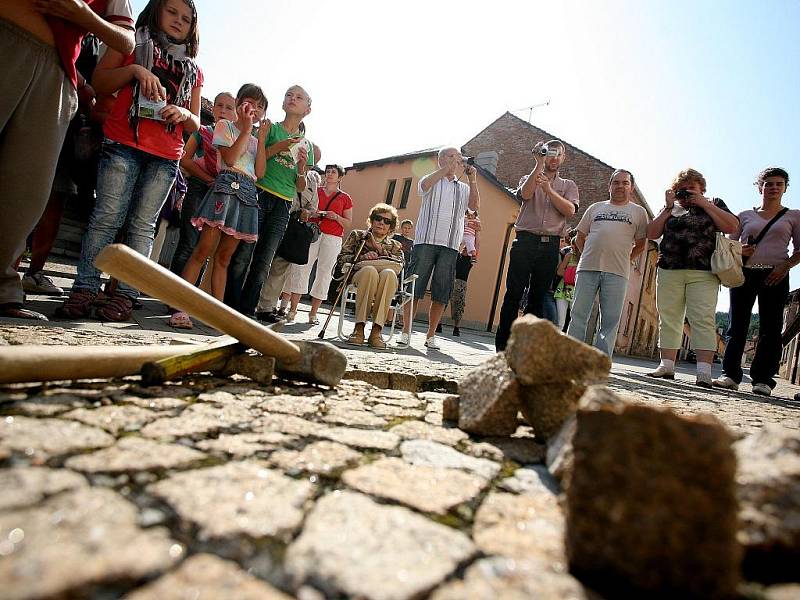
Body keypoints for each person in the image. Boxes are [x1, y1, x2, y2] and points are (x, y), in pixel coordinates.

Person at [56, 0, 202, 322]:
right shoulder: (132, 43)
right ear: (155, 10)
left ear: (194, 27)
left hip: (165, 157)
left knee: (142, 227)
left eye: (187, 18)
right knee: (106, 217)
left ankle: (125, 295)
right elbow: (101, 82)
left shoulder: (194, 68)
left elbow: (195, 122)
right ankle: (85, 287)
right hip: (123, 143)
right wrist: (136, 70)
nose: (179, 21)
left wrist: (183, 113)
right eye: (172, 12)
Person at [0, 0, 135, 320]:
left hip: (57, 69)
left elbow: (126, 38)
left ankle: (3, 286)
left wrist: (82, 15)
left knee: (27, 189)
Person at [169, 85, 267, 329]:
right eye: (248, 103)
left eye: (259, 106)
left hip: (247, 194)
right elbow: (231, 159)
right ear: (239, 106)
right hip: (226, 186)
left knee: (224, 258)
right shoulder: (224, 127)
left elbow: (261, 173)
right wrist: (245, 129)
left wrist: (261, 139)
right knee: (202, 250)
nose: (253, 109)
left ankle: (217, 314)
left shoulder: (256, 140)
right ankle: (180, 308)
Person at [225, 85, 313, 317]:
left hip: (284, 203)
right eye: (288, 95)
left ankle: (247, 309)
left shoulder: (307, 146)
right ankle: (229, 305)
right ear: (283, 103)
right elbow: (255, 163)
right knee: (243, 253)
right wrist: (280, 146)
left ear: (308, 109)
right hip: (259, 194)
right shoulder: (270, 129)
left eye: (299, 97)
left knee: (265, 259)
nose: (292, 99)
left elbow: (300, 186)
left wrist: (302, 168)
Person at [646, 168, 739, 387]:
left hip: (704, 270)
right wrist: (668, 208)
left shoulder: (714, 203)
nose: (686, 193)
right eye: (682, 189)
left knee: (702, 318)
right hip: (669, 268)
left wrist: (705, 204)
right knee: (669, 317)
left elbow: (732, 226)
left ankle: (704, 372)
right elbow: (651, 233)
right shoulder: (670, 208)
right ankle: (666, 365)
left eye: (691, 189)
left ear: (702, 189)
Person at [714, 167, 799, 396]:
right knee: (736, 325)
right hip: (745, 273)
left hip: (776, 274)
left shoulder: (794, 216)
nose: (773, 188)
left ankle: (762, 379)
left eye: (779, 184)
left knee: (770, 329)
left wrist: (785, 266)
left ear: (785, 188)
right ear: (759, 186)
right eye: (769, 183)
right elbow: (729, 247)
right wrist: (741, 250)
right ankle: (730, 375)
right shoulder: (744, 215)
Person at [495, 140, 579, 350]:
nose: (553, 157)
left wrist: (549, 189)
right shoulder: (529, 176)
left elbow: (570, 211)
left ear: (563, 158)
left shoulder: (568, 185)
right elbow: (524, 195)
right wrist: (537, 164)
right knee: (513, 294)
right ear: (542, 154)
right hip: (525, 241)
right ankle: (502, 347)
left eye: (558, 154)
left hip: (550, 246)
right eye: (549, 153)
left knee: (537, 298)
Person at [398, 147, 480, 349]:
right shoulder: (430, 179)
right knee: (414, 288)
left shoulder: (463, 188)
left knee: (442, 292)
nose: (455, 161)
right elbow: (424, 186)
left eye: (457, 158)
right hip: (426, 240)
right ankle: (405, 332)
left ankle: (431, 335)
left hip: (451, 245)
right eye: (450, 157)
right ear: (440, 159)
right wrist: (446, 170)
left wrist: (473, 179)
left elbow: (474, 208)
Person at [567, 169, 649, 356]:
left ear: (632, 187)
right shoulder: (595, 208)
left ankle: (601, 361)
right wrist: (586, 255)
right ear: (609, 186)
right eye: (616, 182)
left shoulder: (638, 212)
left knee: (610, 321)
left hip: (618, 272)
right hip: (587, 268)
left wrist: (626, 259)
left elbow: (642, 244)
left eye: (625, 183)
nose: (620, 186)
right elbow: (579, 238)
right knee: (578, 316)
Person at [170, 91, 236, 280]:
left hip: (221, 195)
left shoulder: (238, 141)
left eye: (229, 107)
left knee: (205, 247)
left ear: (237, 113)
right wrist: (208, 179)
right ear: (213, 108)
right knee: (189, 242)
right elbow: (185, 159)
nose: (223, 110)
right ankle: (171, 290)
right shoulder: (203, 132)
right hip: (199, 187)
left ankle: (191, 295)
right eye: (219, 105)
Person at [255, 158, 323, 323]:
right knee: (259, 261)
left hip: (292, 227)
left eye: (313, 161)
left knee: (280, 267)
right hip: (271, 218)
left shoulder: (312, 179)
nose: (311, 163)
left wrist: (307, 212)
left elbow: (313, 205)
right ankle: (248, 301)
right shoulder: (283, 166)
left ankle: (266, 307)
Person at [285, 164, 353, 324]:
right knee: (302, 267)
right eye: (327, 171)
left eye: (333, 172)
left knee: (324, 273)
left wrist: (336, 216)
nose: (329, 174)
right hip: (311, 233)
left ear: (340, 177)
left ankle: (313, 314)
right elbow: (304, 209)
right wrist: (311, 213)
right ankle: (293, 310)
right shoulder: (316, 191)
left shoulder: (345, 198)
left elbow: (348, 223)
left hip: (333, 237)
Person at [338, 203, 405, 349]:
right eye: (378, 218)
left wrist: (379, 249)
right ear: (372, 220)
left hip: (385, 280)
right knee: (370, 271)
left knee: (389, 274)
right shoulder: (358, 236)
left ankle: (377, 330)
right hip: (360, 275)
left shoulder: (395, 245)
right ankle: (359, 328)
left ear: (391, 226)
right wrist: (361, 257)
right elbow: (342, 258)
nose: (381, 222)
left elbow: (399, 264)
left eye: (387, 221)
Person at [554, 235, 580, 330]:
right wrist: (572, 275)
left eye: (574, 245)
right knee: (560, 322)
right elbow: (559, 271)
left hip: (576, 293)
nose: (572, 248)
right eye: (572, 245)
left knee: (575, 322)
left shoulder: (585, 259)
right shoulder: (569, 256)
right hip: (563, 291)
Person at [449, 247, 474, 337]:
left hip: (462, 283)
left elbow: (475, 253)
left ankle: (456, 327)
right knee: (443, 302)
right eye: (464, 248)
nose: (464, 249)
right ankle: (438, 325)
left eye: (467, 248)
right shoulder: (456, 256)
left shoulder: (470, 260)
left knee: (459, 305)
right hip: (452, 280)